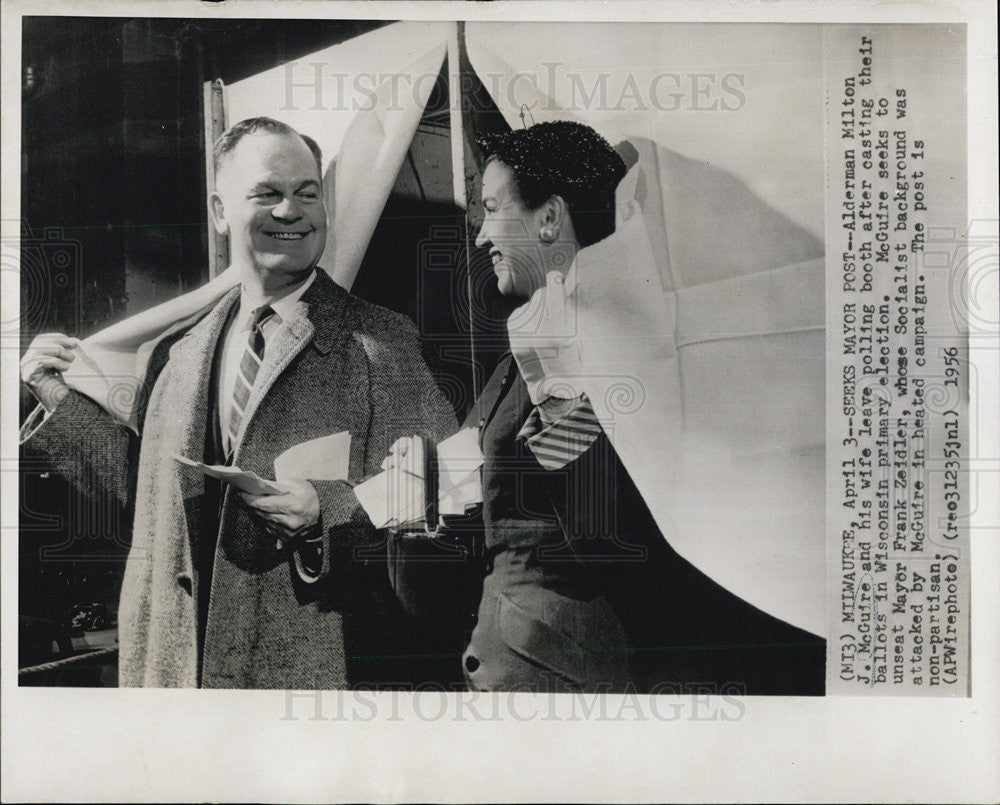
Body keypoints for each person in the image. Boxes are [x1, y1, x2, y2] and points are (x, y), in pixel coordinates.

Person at [387, 121, 825, 694]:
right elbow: (471, 541)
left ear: (549, 218)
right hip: (506, 673)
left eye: (493, 209)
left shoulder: (628, 353)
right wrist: (410, 510)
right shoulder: (510, 371)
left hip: (572, 681)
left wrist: (564, 418)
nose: (480, 238)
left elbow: (621, 551)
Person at [20, 117, 455, 688]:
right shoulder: (177, 351)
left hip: (308, 674)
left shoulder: (381, 342)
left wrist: (327, 510)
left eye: (307, 193)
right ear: (221, 211)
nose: (290, 211)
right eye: (267, 194)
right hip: (178, 669)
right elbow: (145, 499)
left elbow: (441, 496)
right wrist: (52, 394)